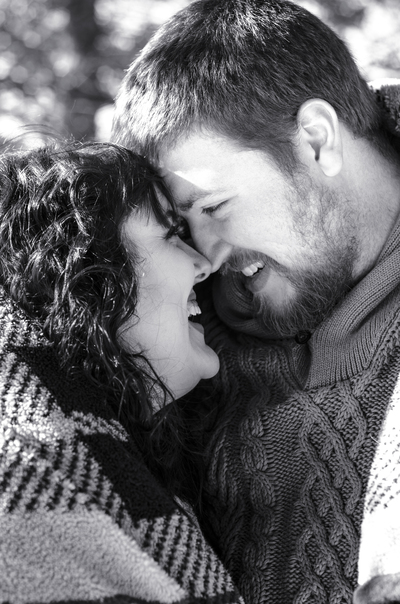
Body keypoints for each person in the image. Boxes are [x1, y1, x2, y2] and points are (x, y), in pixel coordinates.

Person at [111, 0, 400, 602]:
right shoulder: (182, 336)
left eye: (213, 208)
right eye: (182, 228)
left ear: (317, 140)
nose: (207, 256)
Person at [0, 138, 243, 603]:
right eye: (172, 234)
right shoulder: (20, 486)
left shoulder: (119, 473)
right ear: (85, 277)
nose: (204, 263)